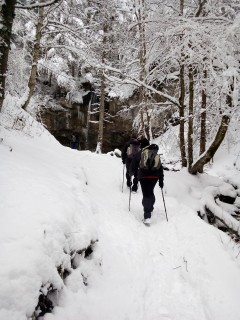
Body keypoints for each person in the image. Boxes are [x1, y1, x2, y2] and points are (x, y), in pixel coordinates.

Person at [130, 138, 164, 225]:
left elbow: (134, 162)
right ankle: (150, 207)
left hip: (143, 176)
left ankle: (147, 215)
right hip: (154, 177)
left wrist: (131, 173)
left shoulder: (141, 152)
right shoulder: (155, 154)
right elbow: (160, 168)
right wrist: (161, 181)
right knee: (150, 191)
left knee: (146, 194)